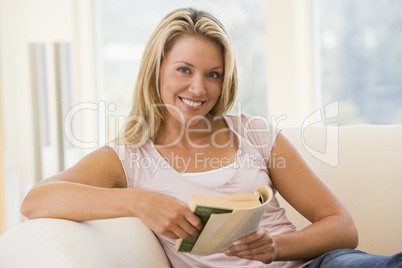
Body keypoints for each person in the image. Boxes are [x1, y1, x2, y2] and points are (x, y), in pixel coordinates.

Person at [21, 7, 401, 268]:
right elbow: (36, 201)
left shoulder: (253, 133)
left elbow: (342, 227)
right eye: (184, 70)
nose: (198, 88)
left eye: (213, 74)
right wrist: (140, 202)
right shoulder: (128, 156)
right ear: (157, 71)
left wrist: (275, 247)